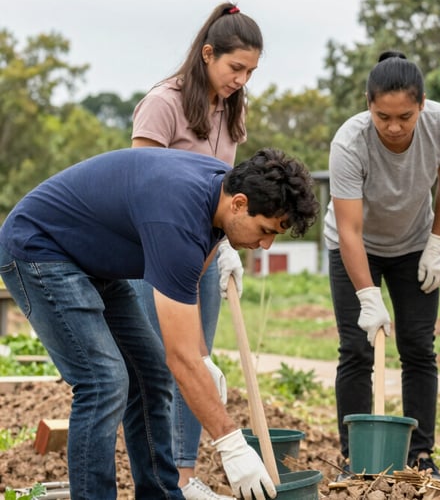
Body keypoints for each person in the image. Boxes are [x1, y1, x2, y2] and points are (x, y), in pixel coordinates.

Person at [0, 147, 319, 500]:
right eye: (265, 230)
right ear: (239, 204)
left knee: (149, 374)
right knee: (103, 381)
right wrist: (232, 444)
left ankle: (162, 495)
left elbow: (189, 285)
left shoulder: (219, 193)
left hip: (91, 259)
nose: (267, 245)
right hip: (40, 249)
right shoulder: (177, 218)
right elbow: (179, 358)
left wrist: (202, 356)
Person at [130, 1, 262, 499]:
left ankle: (185, 478)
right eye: (235, 67)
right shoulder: (163, 103)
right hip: (157, 255)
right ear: (208, 54)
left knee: (199, 363)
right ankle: (161, 476)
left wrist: (225, 243)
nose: (242, 79)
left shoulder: (232, 106)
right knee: (167, 363)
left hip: (204, 252)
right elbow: (139, 185)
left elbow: (226, 184)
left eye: (250, 71)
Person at [323, 50, 440, 479]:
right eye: (382, 115)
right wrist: (368, 296)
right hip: (356, 245)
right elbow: (349, 230)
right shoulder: (349, 142)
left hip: (414, 244)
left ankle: (420, 455)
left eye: (404, 116)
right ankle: (354, 457)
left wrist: (437, 244)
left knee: (419, 348)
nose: (392, 127)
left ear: (422, 104)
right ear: (368, 104)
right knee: (355, 350)